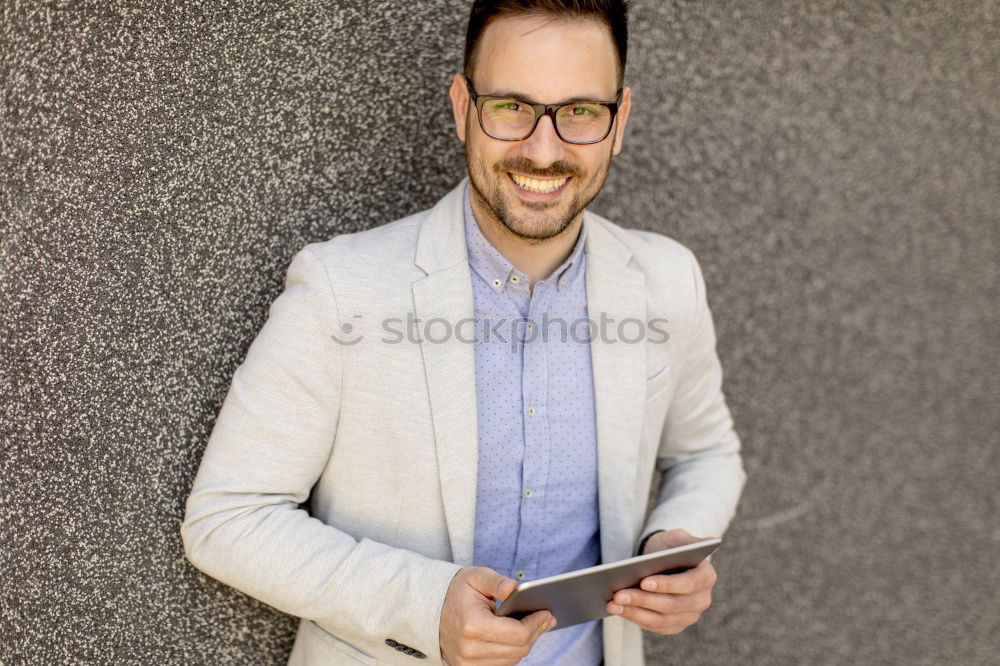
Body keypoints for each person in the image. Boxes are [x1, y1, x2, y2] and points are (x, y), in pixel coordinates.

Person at [180, 1, 746, 664]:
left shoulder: (668, 279)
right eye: (511, 106)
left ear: (619, 121)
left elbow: (707, 453)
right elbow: (226, 520)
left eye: (580, 113)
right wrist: (423, 603)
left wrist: (669, 549)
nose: (544, 149)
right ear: (461, 107)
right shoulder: (340, 287)